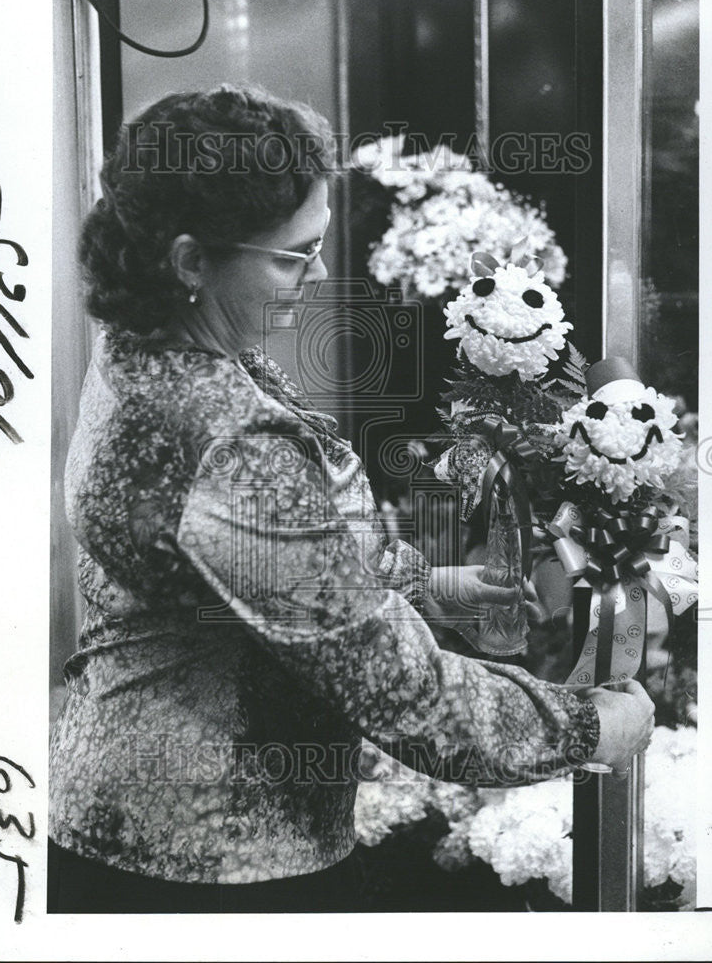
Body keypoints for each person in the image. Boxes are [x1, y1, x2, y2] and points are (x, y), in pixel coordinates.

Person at [48, 85, 655, 913]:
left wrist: (435, 588)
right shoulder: (223, 436)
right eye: (294, 254)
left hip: (127, 804)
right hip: (210, 859)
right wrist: (588, 729)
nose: (322, 272)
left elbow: (278, 577)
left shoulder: (152, 346)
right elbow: (402, 697)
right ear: (190, 260)